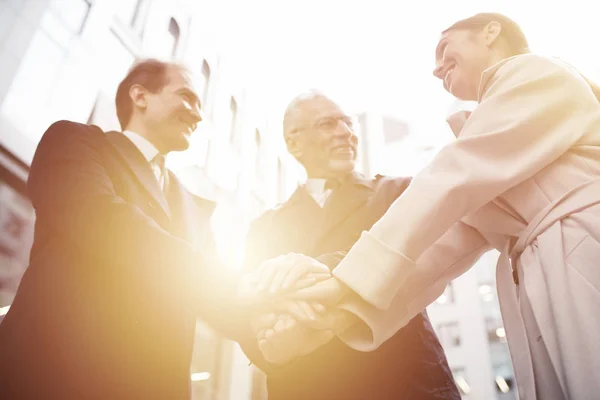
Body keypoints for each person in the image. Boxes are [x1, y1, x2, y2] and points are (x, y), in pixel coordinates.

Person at [270, 13, 600, 400]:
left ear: (491, 31)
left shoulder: (537, 71)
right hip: (545, 270)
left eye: (445, 48)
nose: (436, 68)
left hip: (582, 248)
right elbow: (444, 241)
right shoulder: (497, 128)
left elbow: (455, 175)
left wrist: (344, 283)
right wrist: (340, 310)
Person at [0, 59, 263, 399]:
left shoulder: (194, 209)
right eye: (187, 97)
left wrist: (283, 318)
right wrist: (240, 283)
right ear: (140, 96)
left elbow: (221, 303)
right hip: (51, 379)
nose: (197, 116)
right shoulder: (73, 142)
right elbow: (105, 220)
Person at [241, 91, 460, 400]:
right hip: (308, 386)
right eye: (328, 124)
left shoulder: (399, 193)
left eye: (348, 123)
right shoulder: (265, 227)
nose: (345, 132)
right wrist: (274, 350)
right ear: (294, 143)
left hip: (405, 383)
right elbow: (246, 306)